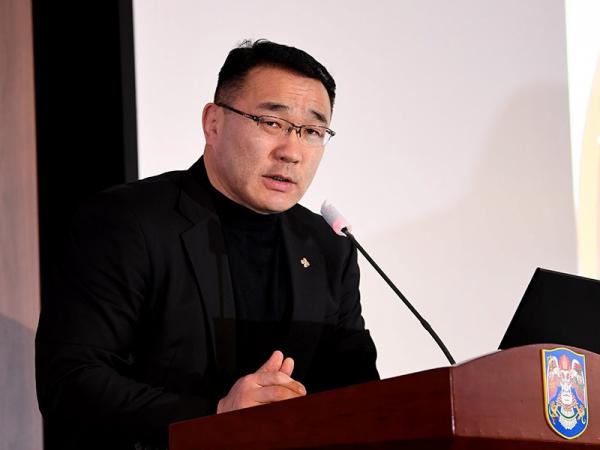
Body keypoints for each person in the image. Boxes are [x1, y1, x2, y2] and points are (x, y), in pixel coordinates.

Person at [36, 39, 378, 450]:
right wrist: (216, 416)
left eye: (312, 131)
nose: (292, 152)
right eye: (272, 123)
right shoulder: (126, 222)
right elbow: (70, 383)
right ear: (213, 123)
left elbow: (359, 393)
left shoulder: (328, 247)